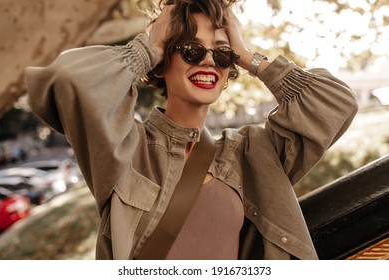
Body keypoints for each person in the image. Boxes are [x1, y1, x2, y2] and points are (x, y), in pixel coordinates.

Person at [24, 0, 358, 260]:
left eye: (222, 54)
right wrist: (147, 47)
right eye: (191, 49)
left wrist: (246, 55)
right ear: (162, 61)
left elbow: (336, 104)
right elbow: (65, 81)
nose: (209, 61)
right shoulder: (126, 149)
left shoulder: (253, 153)